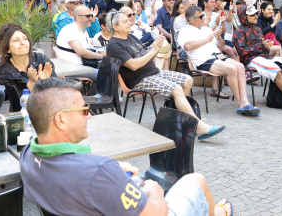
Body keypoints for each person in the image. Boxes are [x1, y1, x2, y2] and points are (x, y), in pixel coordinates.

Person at [20, 77, 233, 216]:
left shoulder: (28, 155)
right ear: (60, 120)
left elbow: (77, 167)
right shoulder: (99, 172)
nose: (90, 116)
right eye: (84, 110)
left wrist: (111, 169)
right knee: (196, 181)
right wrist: (154, 190)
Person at [106, 11, 225, 140]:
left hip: (154, 72)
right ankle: (199, 127)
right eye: (125, 21)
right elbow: (134, 65)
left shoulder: (131, 37)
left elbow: (143, 53)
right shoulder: (114, 44)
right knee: (176, 89)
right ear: (115, 27)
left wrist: (155, 45)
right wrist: (155, 50)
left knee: (188, 80)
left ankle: (176, 119)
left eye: (128, 20)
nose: (129, 22)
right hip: (139, 79)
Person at [179, 6, 260, 116]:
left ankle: (245, 101)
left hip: (217, 56)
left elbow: (221, 45)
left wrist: (218, 36)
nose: (204, 18)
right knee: (231, 69)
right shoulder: (185, 31)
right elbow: (188, 46)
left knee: (240, 66)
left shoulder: (206, 29)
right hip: (203, 61)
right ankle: (240, 104)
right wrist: (208, 38)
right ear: (191, 20)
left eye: (203, 15)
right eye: (201, 16)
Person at [234, 6, 282, 113]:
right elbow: (242, 52)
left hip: (264, 57)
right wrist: (261, 45)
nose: (255, 16)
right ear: (244, 17)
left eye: (255, 14)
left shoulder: (257, 29)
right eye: (252, 15)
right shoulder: (239, 31)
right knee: (277, 70)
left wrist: (267, 46)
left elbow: (263, 47)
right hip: (251, 60)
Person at [0, 23, 54, 112]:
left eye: (25, 39)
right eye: (16, 40)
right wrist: (31, 84)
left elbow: (57, 90)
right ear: (8, 49)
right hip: (22, 117)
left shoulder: (41, 59)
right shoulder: (3, 70)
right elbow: (17, 104)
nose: (22, 43)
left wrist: (45, 82)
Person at [55, 5, 103, 79]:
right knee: (104, 74)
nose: (91, 18)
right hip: (71, 68)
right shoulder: (70, 29)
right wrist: (101, 56)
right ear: (78, 17)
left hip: (81, 65)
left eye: (91, 15)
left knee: (111, 66)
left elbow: (89, 47)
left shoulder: (83, 30)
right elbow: (82, 52)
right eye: (88, 16)